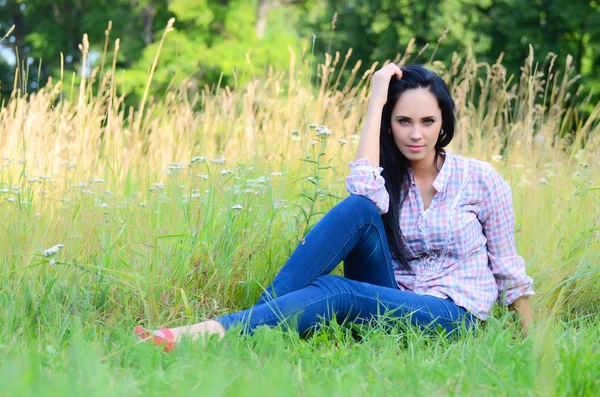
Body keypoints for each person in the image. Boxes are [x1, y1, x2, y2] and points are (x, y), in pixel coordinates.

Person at [135, 63, 535, 352]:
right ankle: (251, 331)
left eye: (428, 121)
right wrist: (375, 99)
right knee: (361, 208)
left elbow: (507, 267)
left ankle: (211, 334)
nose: (416, 134)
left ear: (443, 122)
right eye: (402, 121)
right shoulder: (390, 179)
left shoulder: (481, 179)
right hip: (391, 299)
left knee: (335, 291)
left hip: (452, 316)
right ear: (388, 123)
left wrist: (531, 341)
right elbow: (361, 192)